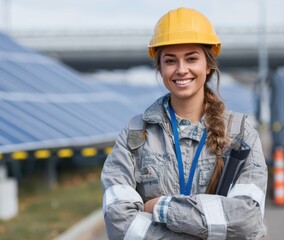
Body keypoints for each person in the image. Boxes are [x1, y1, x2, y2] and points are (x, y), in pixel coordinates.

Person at [101, 7, 268, 240]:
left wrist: (161, 208)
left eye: (191, 58)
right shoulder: (135, 134)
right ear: (159, 68)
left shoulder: (240, 133)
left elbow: (247, 221)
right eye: (170, 60)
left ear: (208, 65)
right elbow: (119, 221)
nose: (181, 69)